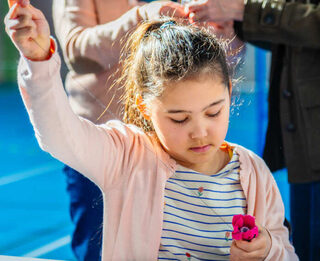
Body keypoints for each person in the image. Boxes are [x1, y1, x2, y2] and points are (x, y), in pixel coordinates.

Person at [5, 1, 298, 260]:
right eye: (179, 118)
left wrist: (268, 249)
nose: (200, 132)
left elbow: (284, 249)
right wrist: (38, 59)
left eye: (213, 112)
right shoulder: (127, 159)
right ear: (143, 107)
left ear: (230, 93)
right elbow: (59, 134)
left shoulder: (253, 173)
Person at [52, 1, 188, 260]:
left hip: (173, 141)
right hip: (100, 140)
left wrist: (223, 27)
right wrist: (143, 19)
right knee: (99, 249)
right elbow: (77, 52)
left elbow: (225, 57)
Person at [186, 0, 320, 260]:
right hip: (302, 136)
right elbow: (295, 37)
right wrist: (237, 24)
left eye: (214, 112)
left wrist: (245, 11)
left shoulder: (250, 169)